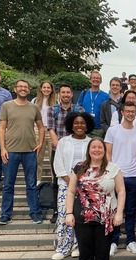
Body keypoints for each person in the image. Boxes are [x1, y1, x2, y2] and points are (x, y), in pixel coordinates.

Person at [65, 138, 126, 260]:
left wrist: (119, 213)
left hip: (105, 219)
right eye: (94, 147)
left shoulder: (113, 168)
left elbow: (121, 191)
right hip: (82, 217)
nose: (97, 150)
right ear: (89, 150)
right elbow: (71, 191)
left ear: (104, 151)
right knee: (85, 253)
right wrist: (69, 213)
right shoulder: (79, 168)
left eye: (100, 147)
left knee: (102, 253)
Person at [0, 79, 45, 225]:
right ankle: (6, 214)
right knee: (8, 184)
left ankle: (35, 213)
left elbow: (41, 127)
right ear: (15, 89)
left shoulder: (34, 107)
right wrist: (2, 148)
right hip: (11, 151)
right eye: (20, 87)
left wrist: (40, 143)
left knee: (31, 184)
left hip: (30, 151)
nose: (23, 89)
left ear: (29, 90)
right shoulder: (6, 106)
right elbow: (1, 128)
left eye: (26, 87)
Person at [105, 102, 136, 256]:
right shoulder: (112, 131)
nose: (130, 114)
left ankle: (130, 240)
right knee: (115, 210)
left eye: (133, 111)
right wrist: (108, 173)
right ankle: (113, 241)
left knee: (130, 211)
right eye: (127, 111)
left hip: (133, 176)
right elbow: (108, 154)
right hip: (115, 176)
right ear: (122, 112)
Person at [52, 112, 94, 260]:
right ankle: (62, 247)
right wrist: (71, 183)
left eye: (82, 123)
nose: (79, 126)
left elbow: (92, 164)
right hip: (65, 184)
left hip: (85, 186)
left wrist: (81, 184)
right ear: (71, 124)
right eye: (76, 123)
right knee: (64, 215)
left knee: (81, 217)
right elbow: (58, 164)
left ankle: (77, 246)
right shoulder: (64, 141)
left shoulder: (91, 142)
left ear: (87, 125)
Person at [47, 84, 82, 223]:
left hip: (76, 149)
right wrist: (58, 142)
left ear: (72, 94)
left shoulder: (78, 109)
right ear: (59, 94)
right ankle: (57, 210)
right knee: (57, 180)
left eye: (68, 92)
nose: (66, 95)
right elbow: (50, 127)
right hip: (59, 149)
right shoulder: (53, 109)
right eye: (63, 92)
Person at [31, 81, 56, 183]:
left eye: (48, 87)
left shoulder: (56, 102)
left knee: (53, 157)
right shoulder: (35, 101)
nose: (46, 89)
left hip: (51, 131)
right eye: (44, 87)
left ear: (51, 89)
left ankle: (54, 179)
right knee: (38, 157)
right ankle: (37, 179)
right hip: (38, 129)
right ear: (41, 89)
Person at [77, 70, 109, 138]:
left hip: (99, 130)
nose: (96, 79)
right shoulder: (84, 93)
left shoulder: (106, 96)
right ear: (90, 80)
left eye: (98, 78)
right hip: (84, 128)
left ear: (101, 81)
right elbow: (78, 107)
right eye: (94, 78)